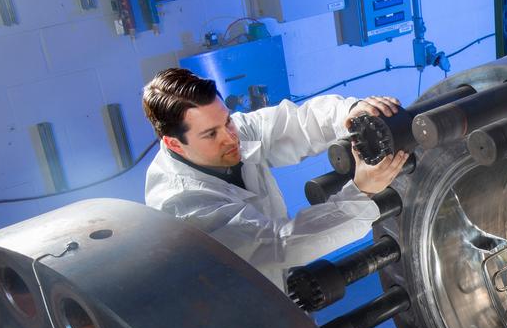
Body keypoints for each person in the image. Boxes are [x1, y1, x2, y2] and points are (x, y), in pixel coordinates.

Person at [141, 67, 408, 287]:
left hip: (278, 288)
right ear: (174, 144)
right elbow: (281, 242)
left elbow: (297, 124)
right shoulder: (182, 204)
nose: (230, 137)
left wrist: (351, 113)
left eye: (228, 121)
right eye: (211, 134)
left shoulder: (232, 132)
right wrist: (360, 194)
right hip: (235, 313)